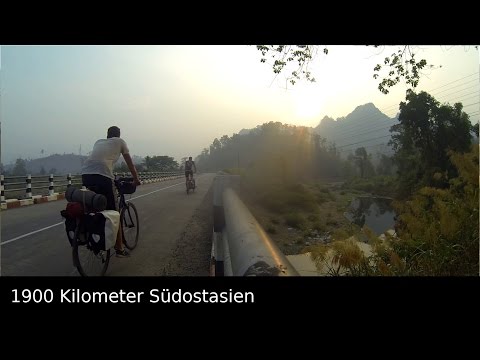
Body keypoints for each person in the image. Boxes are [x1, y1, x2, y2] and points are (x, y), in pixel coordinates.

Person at [81, 126, 141, 257]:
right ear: (118, 135)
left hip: (85, 174)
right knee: (115, 213)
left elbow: (99, 159)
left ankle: (92, 233)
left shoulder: (98, 142)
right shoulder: (120, 142)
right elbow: (130, 163)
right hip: (103, 176)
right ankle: (119, 249)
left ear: (107, 135)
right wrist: (136, 178)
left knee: (95, 205)